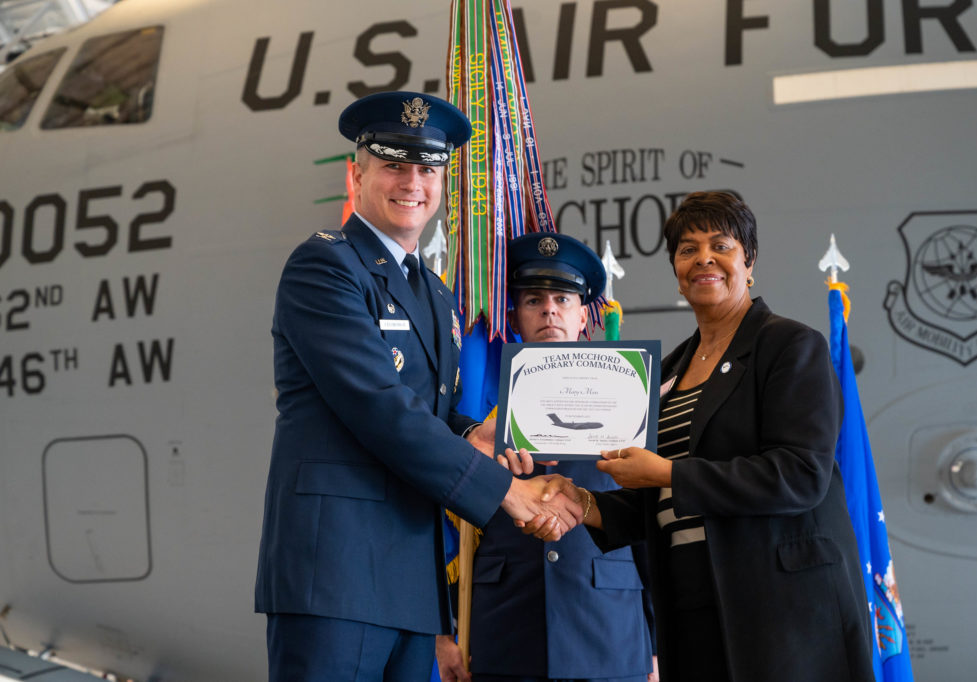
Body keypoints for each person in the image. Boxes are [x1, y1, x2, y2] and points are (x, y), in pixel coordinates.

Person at [254, 91, 581, 682]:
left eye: (428, 169)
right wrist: (508, 493)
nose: (413, 182)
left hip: (410, 581)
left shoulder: (432, 290)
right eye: (393, 165)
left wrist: (473, 432)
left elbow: (428, 411)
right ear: (357, 175)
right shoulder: (325, 268)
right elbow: (381, 408)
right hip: (336, 575)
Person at [525, 191, 875, 682]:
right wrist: (580, 502)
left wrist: (666, 472)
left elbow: (801, 475)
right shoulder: (667, 372)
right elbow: (656, 499)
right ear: (676, 270)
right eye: (687, 249)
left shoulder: (790, 345)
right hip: (693, 602)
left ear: (748, 260)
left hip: (781, 608)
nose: (703, 259)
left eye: (721, 245)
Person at [435, 232, 657, 682]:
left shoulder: (628, 397)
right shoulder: (480, 416)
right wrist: (443, 633)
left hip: (610, 631)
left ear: (583, 317)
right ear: (514, 316)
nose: (549, 309)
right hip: (506, 632)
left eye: (563, 299)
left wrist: (659, 645)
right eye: (534, 299)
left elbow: (649, 522)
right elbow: (439, 527)